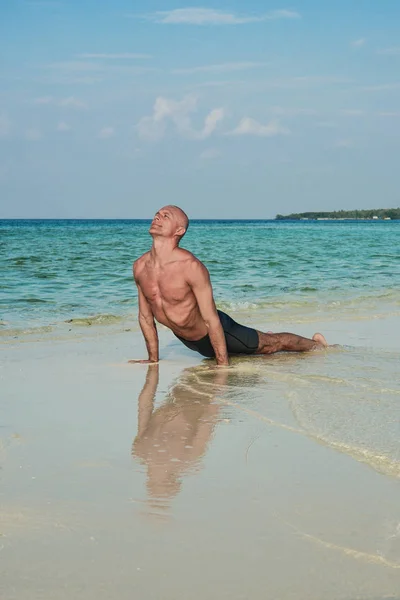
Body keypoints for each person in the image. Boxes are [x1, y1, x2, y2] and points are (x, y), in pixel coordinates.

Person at [130, 205, 328, 367]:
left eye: (166, 216)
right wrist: (153, 359)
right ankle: (258, 338)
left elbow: (211, 319)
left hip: (218, 332)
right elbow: (145, 317)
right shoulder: (140, 267)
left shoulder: (190, 267)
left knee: (272, 345)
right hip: (191, 342)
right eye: (157, 214)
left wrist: (222, 366)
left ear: (179, 231)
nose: (157, 216)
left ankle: (317, 346)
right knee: (254, 350)